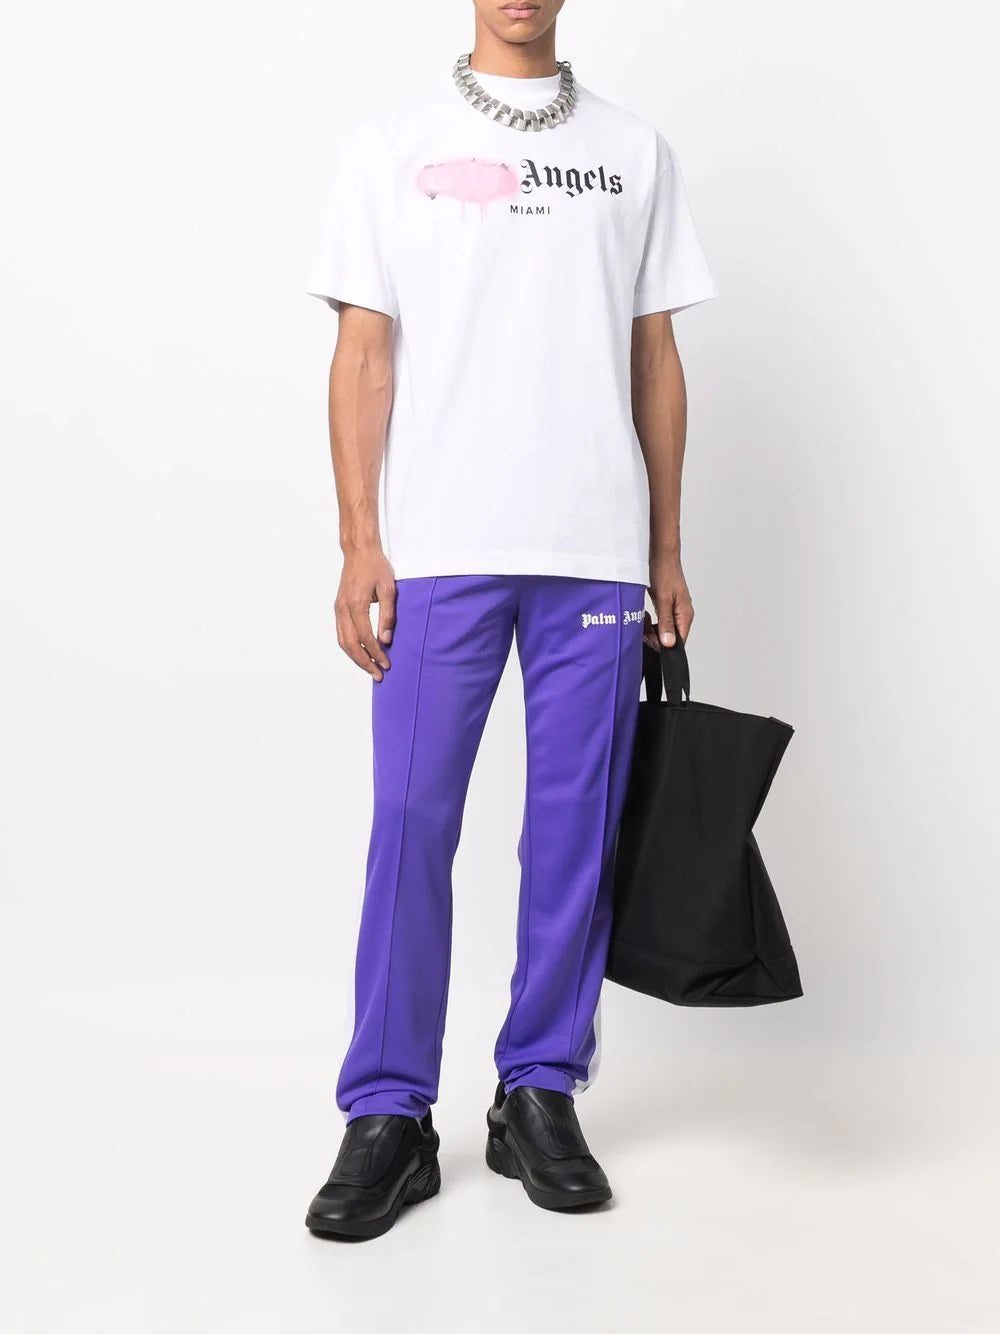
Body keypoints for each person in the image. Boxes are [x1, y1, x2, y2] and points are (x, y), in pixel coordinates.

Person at [304, 0, 716, 1239]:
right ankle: (389, 1111)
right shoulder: (391, 144)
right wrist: (360, 540)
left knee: (572, 836)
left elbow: (653, 357)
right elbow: (363, 353)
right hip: (439, 549)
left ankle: (539, 1087)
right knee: (409, 822)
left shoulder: (633, 150)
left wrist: (663, 545)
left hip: (592, 551)